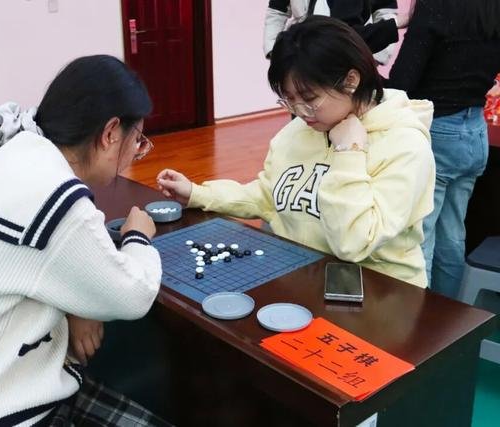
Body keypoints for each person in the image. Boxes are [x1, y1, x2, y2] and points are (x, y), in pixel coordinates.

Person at [0, 55, 171, 426]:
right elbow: (133, 293)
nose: (135, 155)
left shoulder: (18, 156)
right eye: (137, 141)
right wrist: (138, 235)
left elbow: (30, 262)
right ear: (110, 133)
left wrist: (77, 306)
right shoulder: (53, 192)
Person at [160, 16, 435, 288]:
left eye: (310, 98)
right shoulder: (299, 131)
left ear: (351, 80)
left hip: (382, 295)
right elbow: (268, 195)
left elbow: (354, 242)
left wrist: (349, 152)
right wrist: (198, 193)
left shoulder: (405, 144)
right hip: (303, 277)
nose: (299, 112)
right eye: (289, 100)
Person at [388, 0, 500, 298]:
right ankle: (448, 315)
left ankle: (420, 319)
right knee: (453, 234)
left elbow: (402, 82)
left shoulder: (437, 6)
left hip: (436, 132)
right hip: (475, 131)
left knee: (419, 239)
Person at [263, 0, 408, 64]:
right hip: (301, 55)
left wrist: (375, 58)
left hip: (351, 53)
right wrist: (274, 52)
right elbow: (277, 11)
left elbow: (385, 12)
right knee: (304, 105)